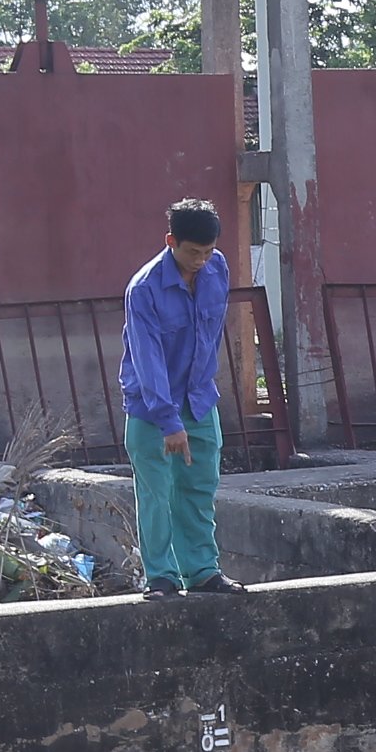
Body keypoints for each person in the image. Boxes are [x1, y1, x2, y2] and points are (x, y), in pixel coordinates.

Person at [119, 199, 246, 597]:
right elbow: (147, 358)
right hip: (152, 408)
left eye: (208, 252)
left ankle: (203, 571)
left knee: (199, 488)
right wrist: (169, 421)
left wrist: (198, 402)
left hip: (199, 401)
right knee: (157, 494)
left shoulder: (217, 269)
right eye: (193, 252)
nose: (201, 261)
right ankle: (161, 576)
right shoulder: (144, 289)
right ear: (171, 241)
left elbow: (208, 338)